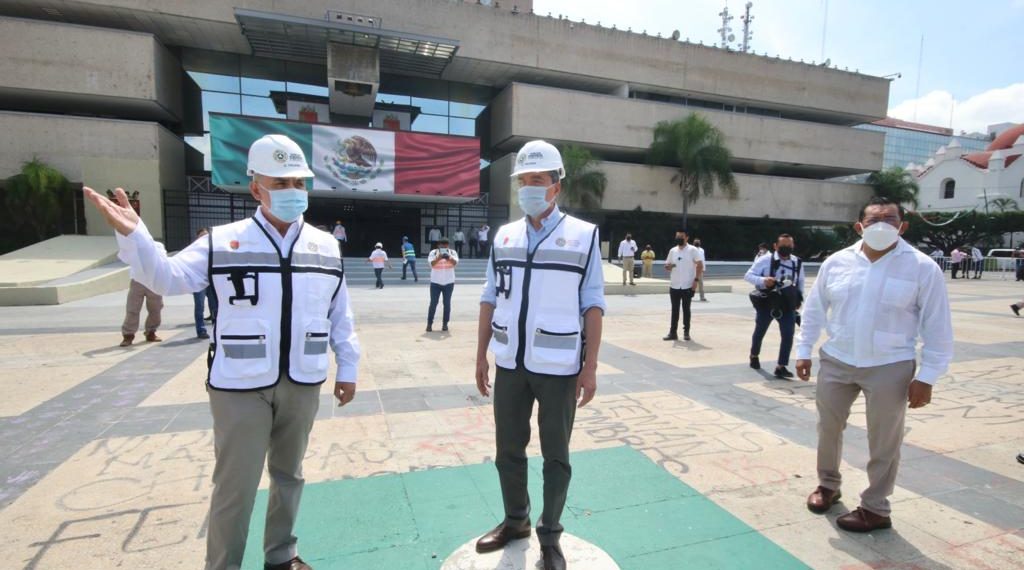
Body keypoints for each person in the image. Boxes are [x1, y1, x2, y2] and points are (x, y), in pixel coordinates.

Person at [83, 133, 360, 570]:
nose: (293, 191)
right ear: (256, 188)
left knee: (290, 475)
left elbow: (339, 312)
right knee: (236, 485)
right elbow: (166, 277)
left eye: (299, 182)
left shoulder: (325, 245)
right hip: (240, 386)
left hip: (303, 379)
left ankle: (281, 556)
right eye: (281, 183)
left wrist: (349, 366)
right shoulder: (223, 241)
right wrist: (137, 236)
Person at [474, 140, 605, 570]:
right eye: (524, 180)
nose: (529, 187)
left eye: (538, 179)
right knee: (507, 449)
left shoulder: (583, 236)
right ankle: (516, 521)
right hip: (510, 362)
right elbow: (490, 296)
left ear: (556, 186)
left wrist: (590, 367)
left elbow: (593, 304)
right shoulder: (504, 235)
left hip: (559, 367)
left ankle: (550, 535)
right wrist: (481, 354)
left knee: (556, 456)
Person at [796, 197, 953, 533]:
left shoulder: (922, 267)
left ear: (902, 226)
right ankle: (828, 485)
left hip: (890, 365)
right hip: (838, 359)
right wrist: (804, 349)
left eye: (890, 219)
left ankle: (875, 507)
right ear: (859, 226)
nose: (882, 225)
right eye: (873, 220)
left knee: (884, 439)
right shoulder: (836, 262)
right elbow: (814, 309)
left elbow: (937, 326)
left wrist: (927, 376)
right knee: (828, 427)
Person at [745, 234, 805, 378]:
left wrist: (798, 299)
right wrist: (763, 280)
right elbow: (748, 276)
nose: (786, 248)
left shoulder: (797, 262)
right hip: (768, 302)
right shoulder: (765, 260)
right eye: (783, 246)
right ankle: (754, 355)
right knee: (760, 331)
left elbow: (800, 281)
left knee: (788, 334)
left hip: (787, 304)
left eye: (789, 246)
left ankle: (781, 366)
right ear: (775, 246)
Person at [663, 230, 703, 341]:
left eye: (681, 236)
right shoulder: (673, 251)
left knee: (686, 310)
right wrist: (669, 266)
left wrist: (696, 280)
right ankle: (673, 333)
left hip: (687, 285)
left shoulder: (692, 250)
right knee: (674, 310)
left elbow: (700, 265)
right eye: (677, 236)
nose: (679, 238)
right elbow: (667, 265)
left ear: (687, 238)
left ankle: (686, 332)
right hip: (674, 285)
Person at [426, 236, 459, 332]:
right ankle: (429, 324)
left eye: (445, 245)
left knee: (447, 304)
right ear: (438, 245)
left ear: (448, 245)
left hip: (449, 282)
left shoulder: (452, 253)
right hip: (435, 282)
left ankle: (445, 324)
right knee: (433, 303)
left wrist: (448, 258)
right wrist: (439, 258)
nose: (444, 247)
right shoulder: (433, 253)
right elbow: (431, 264)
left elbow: (455, 263)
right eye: (442, 246)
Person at [120, 277, 164, 347]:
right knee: (132, 309)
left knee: (156, 309)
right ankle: (128, 336)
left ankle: (151, 332)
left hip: (154, 281)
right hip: (138, 280)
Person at [192, 228, 212, 339]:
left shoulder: (212, 248)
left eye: (206, 235)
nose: (204, 237)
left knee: (215, 306)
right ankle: (201, 330)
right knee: (199, 306)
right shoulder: (193, 250)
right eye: (202, 236)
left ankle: (217, 329)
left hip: (211, 281)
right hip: (198, 282)